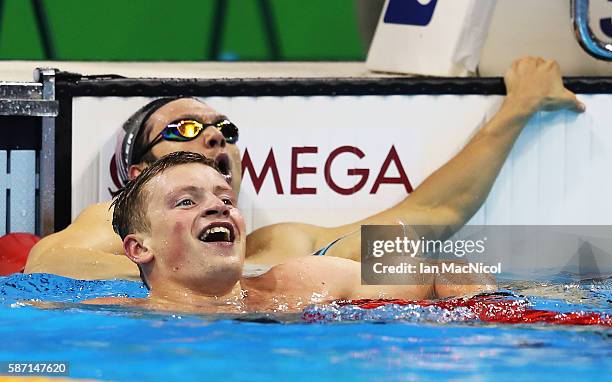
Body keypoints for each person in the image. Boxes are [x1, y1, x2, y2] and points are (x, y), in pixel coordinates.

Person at [24, 57, 585, 280]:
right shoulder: (115, 221)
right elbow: (48, 260)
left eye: (223, 131)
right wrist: (222, 283)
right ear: (137, 173)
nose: (214, 135)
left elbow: (431, 212)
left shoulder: (288, 245)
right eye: (183, 131)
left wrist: (518, 107)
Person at [82, 152, 495, 312]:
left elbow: (440, 270)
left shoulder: (303, 281)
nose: (217, 205)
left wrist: (486, 315)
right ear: (138, 248)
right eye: (186, 202)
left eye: (226, 200)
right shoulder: (106, 315)